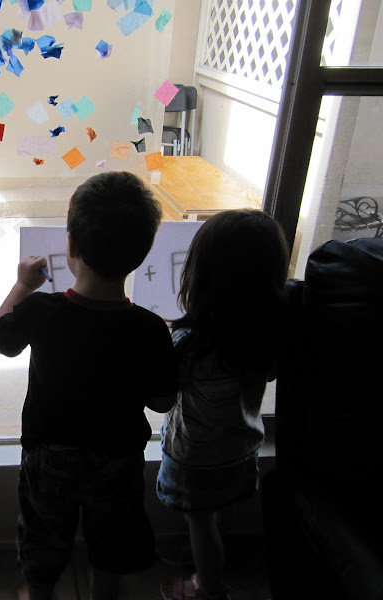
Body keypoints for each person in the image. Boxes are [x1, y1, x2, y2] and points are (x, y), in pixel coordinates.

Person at [0, 171, 178, 600]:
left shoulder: (43, 309)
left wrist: (22, 285)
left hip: (48, 456)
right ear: (141, 253)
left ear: (71, 245)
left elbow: (1, 339)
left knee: (43, 534)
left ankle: (39, 592)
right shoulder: (149, 329)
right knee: (112, 541)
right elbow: (163, 401)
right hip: (117, 459)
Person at [156, 210, 289, 600]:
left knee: (199, 521)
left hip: (195, 457)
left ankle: (208, 586)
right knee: (219, 508)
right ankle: (206, 551)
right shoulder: (270, 335)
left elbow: (164, 397)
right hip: (241, 447)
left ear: (201, 275)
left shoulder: (189, 344)